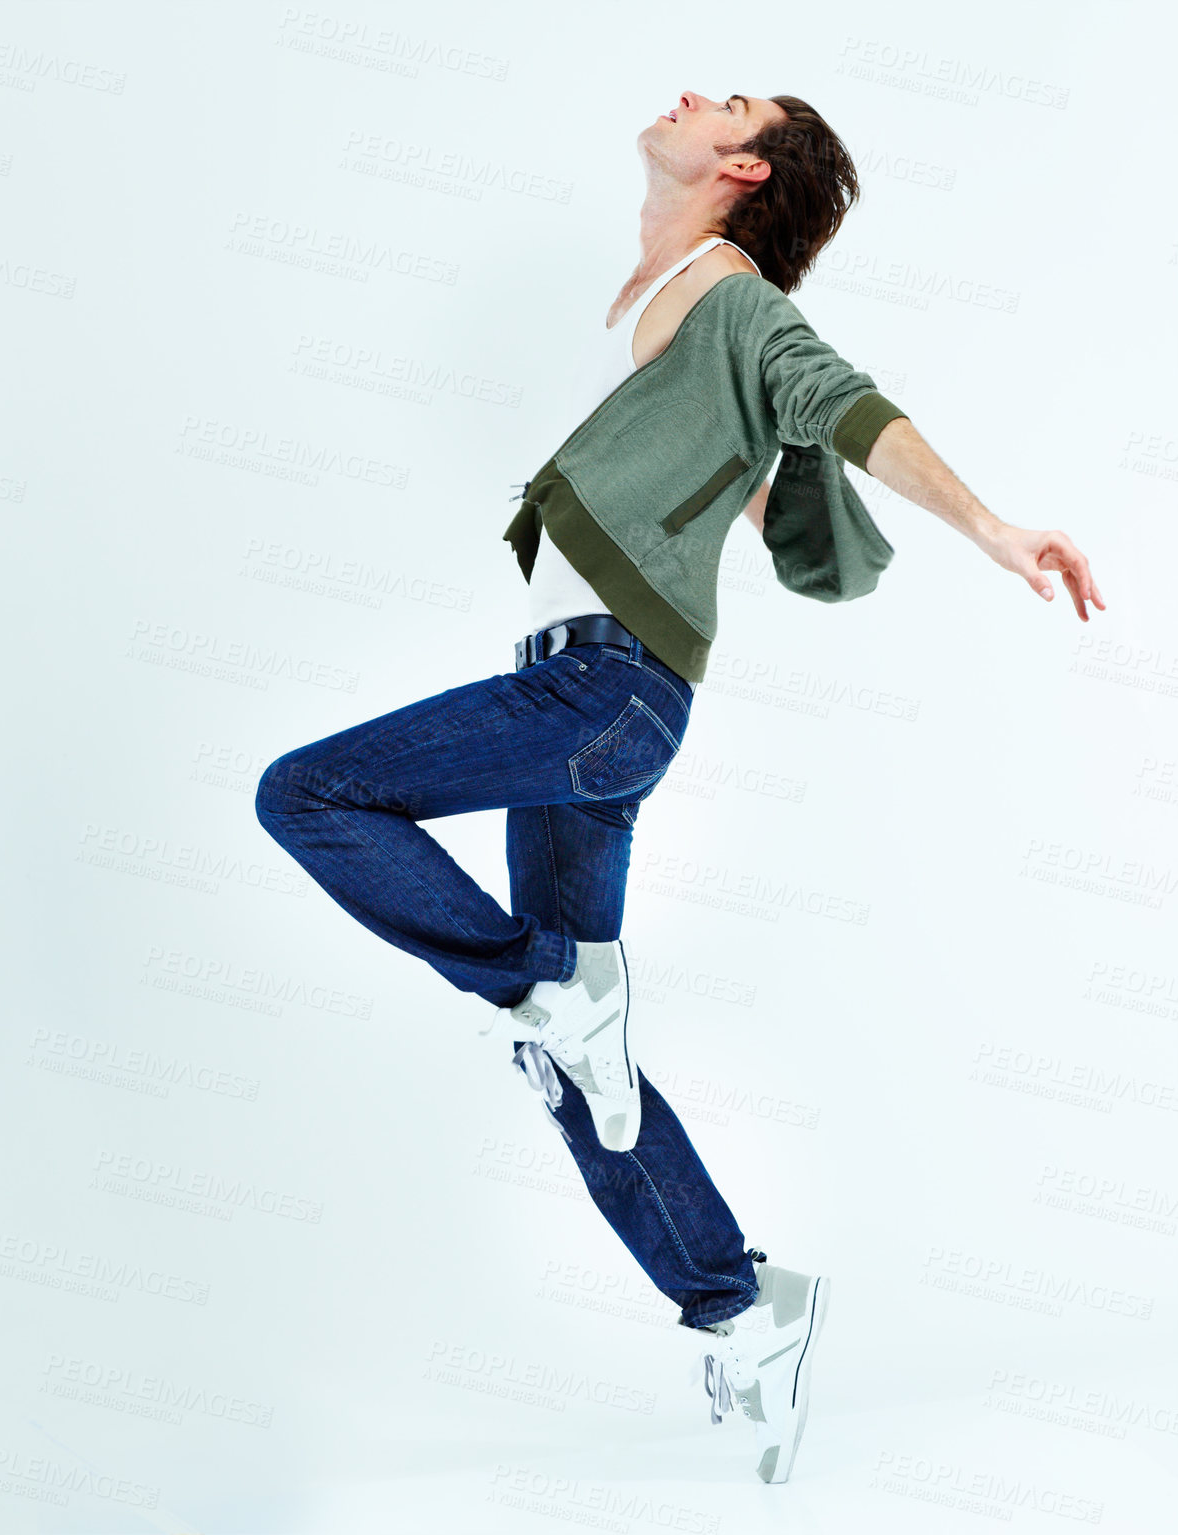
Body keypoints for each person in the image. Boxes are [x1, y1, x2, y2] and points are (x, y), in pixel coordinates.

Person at [254, 88, 1105, 1484]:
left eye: (727, 101)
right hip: (593, 702)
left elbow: (846, 406)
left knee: (310, 796)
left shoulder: (727, 297)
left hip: (596, 698)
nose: (691, 95)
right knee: (582, 1081)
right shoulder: (665, 306)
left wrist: (993, 528)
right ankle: (737, 1304)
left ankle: (540, 976)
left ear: (739, 164)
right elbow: (773, 470)